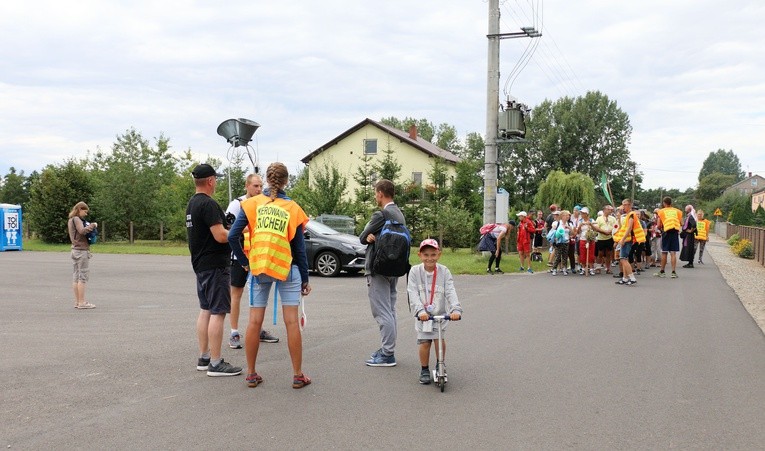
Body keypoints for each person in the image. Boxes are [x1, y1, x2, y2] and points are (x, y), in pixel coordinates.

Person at [228, 162, 312, 389]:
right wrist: (305, 278)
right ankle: (297, 375)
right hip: (287, 266)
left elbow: (232, 236)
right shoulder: (293, 208)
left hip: (260, 266)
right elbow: (299, 248)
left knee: (254, 321)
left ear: (266, 180)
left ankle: (252, 374)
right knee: (292, 322)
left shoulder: (252, 204)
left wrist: (246, 263)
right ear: (286, 181)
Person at [186, 163, 242, 377]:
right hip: (215, 265)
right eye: (215, 179)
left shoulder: (192, 203)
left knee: (206, 310)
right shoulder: (208, 204)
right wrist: (237, 231)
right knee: (218, 312)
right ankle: (216, 363)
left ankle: (204, 356)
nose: (216, 182)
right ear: (210, 181)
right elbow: (219, 235)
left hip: (200, 264)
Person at [223, 173, 279, 349]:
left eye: (261, 186)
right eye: (255, 186)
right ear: (247, 186)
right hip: (239, 255)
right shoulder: (237, 204)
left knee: (257, 294)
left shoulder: (263, 203)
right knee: (236, 294)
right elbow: (228, 227)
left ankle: (257, 329)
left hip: (258, 256)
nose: (259, 189)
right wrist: (247, 228)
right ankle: (234, 332)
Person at [359, 179, 407, 367]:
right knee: (390, 309)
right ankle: (388, 349)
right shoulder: (399, 214)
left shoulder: (381, 214)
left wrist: (370, 237)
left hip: (378, 268)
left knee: (381, 311)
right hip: (394, 267)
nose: (374, 196)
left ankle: (388, 353)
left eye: (375, 193)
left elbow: (363, 237)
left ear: (380, 193)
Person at [408, 239, 463, 384]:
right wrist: (420, 311)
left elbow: (450, 291)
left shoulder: (444, 271)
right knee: (425, 342)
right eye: (426, 255)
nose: (429, 258)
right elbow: (412, 293)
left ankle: (440, 365)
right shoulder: (415, 271)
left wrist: (455, 309)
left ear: (439, 254)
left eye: (433, 254)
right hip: (423, 316)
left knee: (439, 340)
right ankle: (424, 369)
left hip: (440, 314)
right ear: (420, 255)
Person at [67, 202, 97, 309]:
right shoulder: (77, 219)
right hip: (81, 251)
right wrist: (93, 225)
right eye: (85, 211)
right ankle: (82, 302)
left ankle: (77, 301)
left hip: (74, 250)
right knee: (82, 276)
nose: (86, 214)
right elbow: (82, 231)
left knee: (76, 276)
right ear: (79, 209)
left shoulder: (71, 220)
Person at [613, 198, 646, 286]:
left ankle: (632, 277)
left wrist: (622, 239)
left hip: (628, 239)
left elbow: (629, 228)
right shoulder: (627, 215)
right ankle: (625, 278)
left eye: (625, 205)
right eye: (623, 204)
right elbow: (622, 228)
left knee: (623, 259)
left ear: (630, 205)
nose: (623, 207)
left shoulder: (631, 214)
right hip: (626, 239)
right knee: (624, 258)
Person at [655, 196, 683, 279]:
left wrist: (660, 229)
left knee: (664, 252)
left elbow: (659, 225)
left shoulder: (661, 211)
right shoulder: (678, 211)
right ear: (671, 203)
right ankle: (673, 272)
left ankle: (662, 271)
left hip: (666, 232)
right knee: (673, 252)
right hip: (674, 232)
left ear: (664, 203)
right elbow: (681, 223)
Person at [592, 205, 617, 275]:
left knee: (609, 254)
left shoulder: (613, 218)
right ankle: (598, 268)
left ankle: (608, 268)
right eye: (609, 209)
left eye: (611, 210)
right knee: (600, 254)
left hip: (609, 238)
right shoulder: (599, 218)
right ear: (604, 210)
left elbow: (616, 226)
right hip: (601, 238)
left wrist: (611, 231)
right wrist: (604, 232)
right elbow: (596, 228)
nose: (610, 211)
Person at [575, 207, 596, 275]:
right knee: (582, 255)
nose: (582, 214)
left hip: (590, 240)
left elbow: (595, 229)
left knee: (591, 255)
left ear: (587, 214)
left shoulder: (591, 220)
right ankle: (583, 268)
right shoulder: (580, 221)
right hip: (582, 239)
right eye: (581, 213)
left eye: (584, 213)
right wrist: (580, 226)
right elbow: (577, 232)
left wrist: (591, 225)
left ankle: (591, 268)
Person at [550, 210, 572, 275]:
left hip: (566, 242)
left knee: (565, 256)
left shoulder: (569, 223)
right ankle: (554, 269)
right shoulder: (557, 223)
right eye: (566, 215)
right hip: (558, 242)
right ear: (562, 216)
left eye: (568, 215)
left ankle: (564, 269)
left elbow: (573, 233)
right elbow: (552, 232)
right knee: (557, 256)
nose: (568, 217)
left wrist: (569, 228)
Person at [680, 204, 697, 269]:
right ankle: (690, 263)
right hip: (688, 235)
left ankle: (690, 263)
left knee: (689, 248)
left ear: (688, 210)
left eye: (686, 209)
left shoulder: (690, 217)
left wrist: (690, 231)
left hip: (689, 236)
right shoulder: (689, 216)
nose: (685, 210)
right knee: (689, 248)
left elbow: (694, 224)